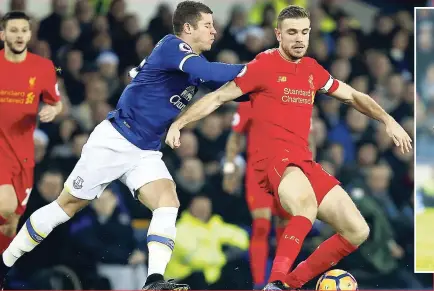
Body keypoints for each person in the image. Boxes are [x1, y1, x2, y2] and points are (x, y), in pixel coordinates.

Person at [0, 1, 248, 290]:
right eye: (208, 25)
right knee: (65, 207)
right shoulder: (173, 47)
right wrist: (261, 68)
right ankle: (4, 262)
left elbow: (231, 88)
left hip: (145, 152)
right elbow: (218, 73)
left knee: (168, 201)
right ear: (188, 28)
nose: (214, 31)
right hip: (116, 140)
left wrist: (265, 84)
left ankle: (154, 280)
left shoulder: (193, 65)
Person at [164, 5, 412, 291]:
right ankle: (274, 284)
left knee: (357, 230)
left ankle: (290, 284)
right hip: (272, 160)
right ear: (278, 34)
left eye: (304, 32)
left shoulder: (311, 70)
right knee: (302, 209)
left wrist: (387, 119)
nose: (299, 39)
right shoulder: (262, 65)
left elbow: (353, 95)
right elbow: (218, 97)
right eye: (292, 32)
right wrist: (178, 124)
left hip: (303, 161)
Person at [0, 11, 62, 254]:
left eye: (24, 30)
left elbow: (56, 102)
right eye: (13, 30)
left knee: (12, 222)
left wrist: (52, 111)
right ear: (3, 34)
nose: (19, 35)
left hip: (24, 155)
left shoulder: (43, 67)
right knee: (5, 207)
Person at [223, 102, 293, 288]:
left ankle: (282, 280)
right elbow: (235, 137)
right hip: (258, 172)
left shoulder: (292, 98)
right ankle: (259, 283)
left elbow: (308, 138)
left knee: (286, 225)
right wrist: (229, 168)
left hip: (287, 170)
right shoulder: (250, 102)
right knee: (262, 224)